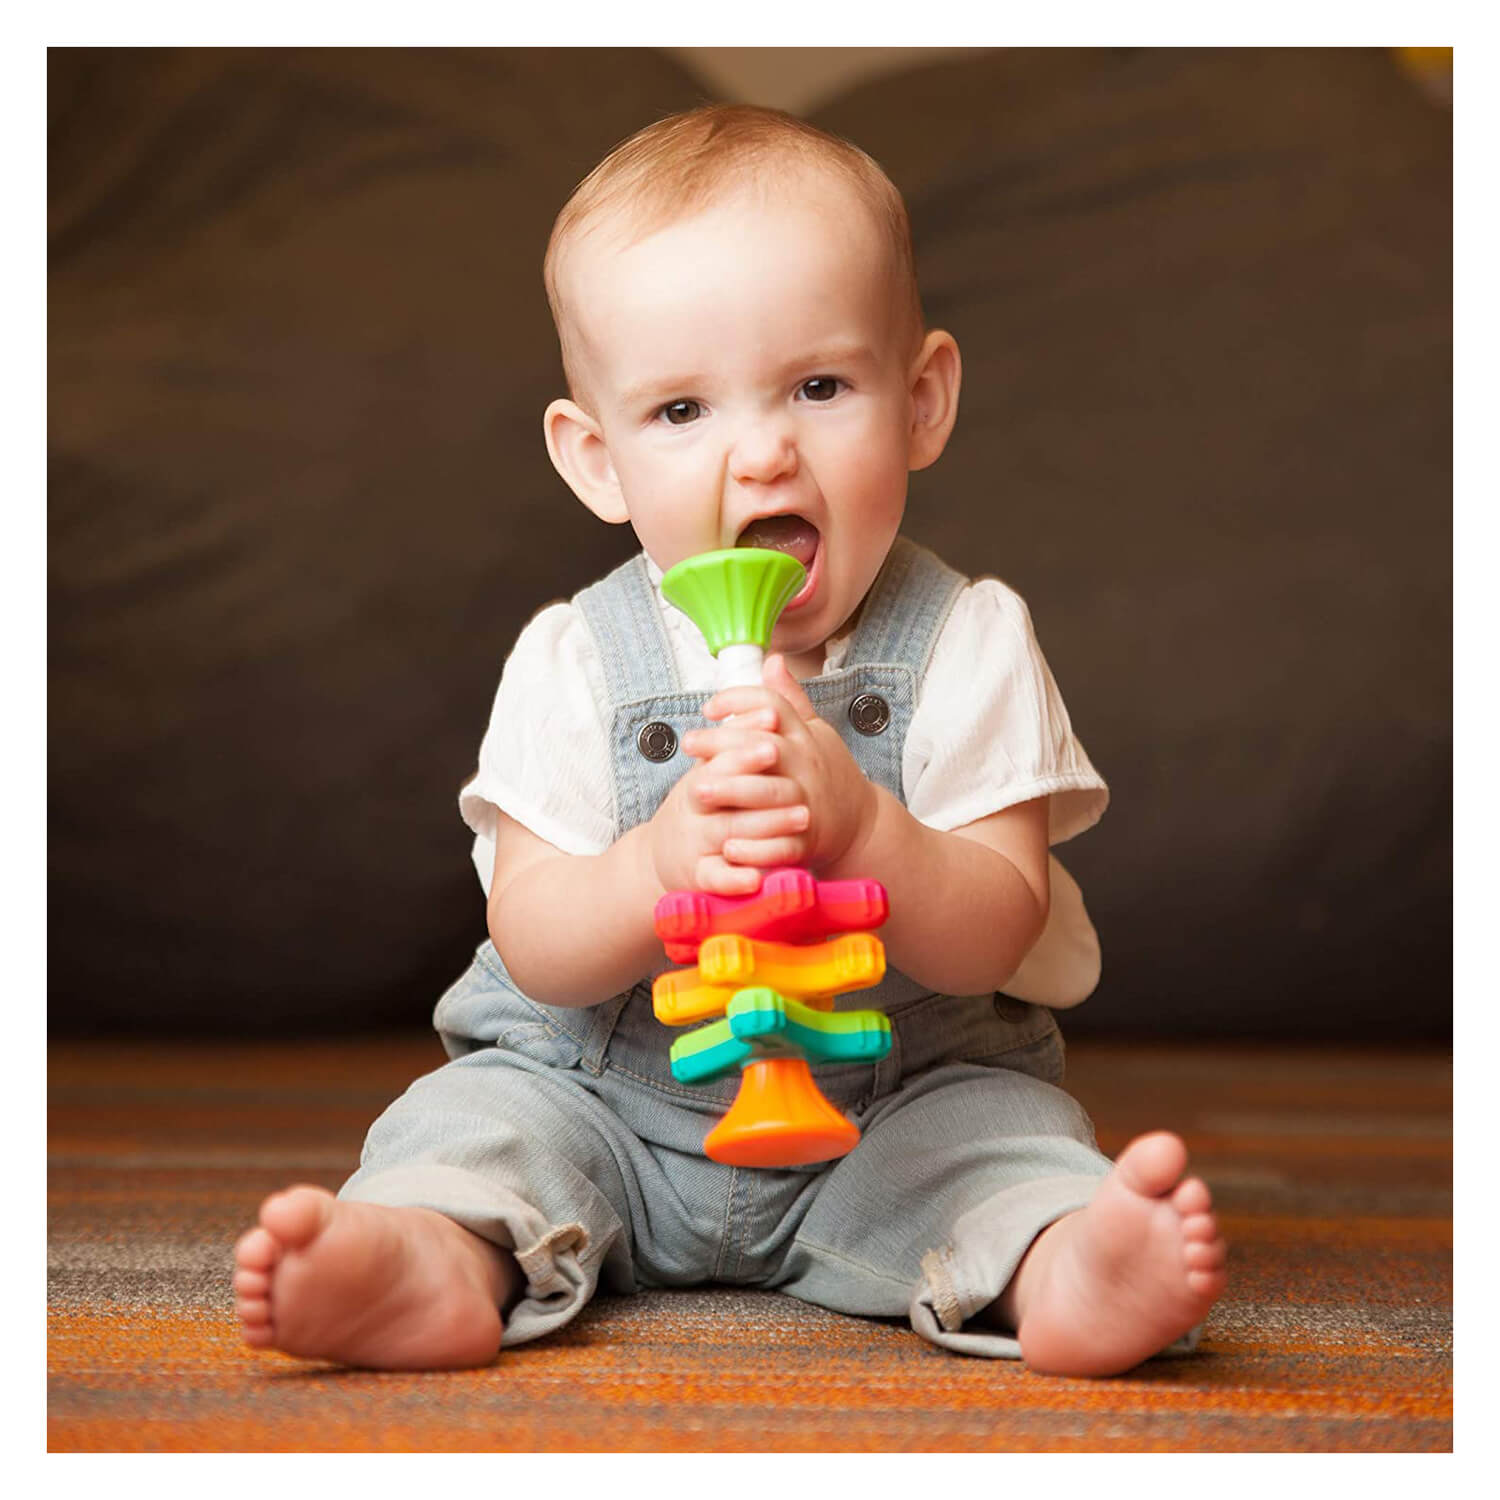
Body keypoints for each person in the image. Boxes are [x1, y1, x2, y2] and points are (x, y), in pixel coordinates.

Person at [232, 104, 1227, 1376]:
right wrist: (657, 868)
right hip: (604, 1105)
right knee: (477, 1126)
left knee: (1004, 1146)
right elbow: (534, 946)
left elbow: (998, 927)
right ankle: (424, 1261)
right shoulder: (580, 658)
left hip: (889, 1107)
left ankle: (1062, 1264)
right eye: (682, 410)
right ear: (595, 460)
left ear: (921, 403)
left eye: (820, 387)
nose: (762, 451)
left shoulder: (967, 640)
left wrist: (869, 830)